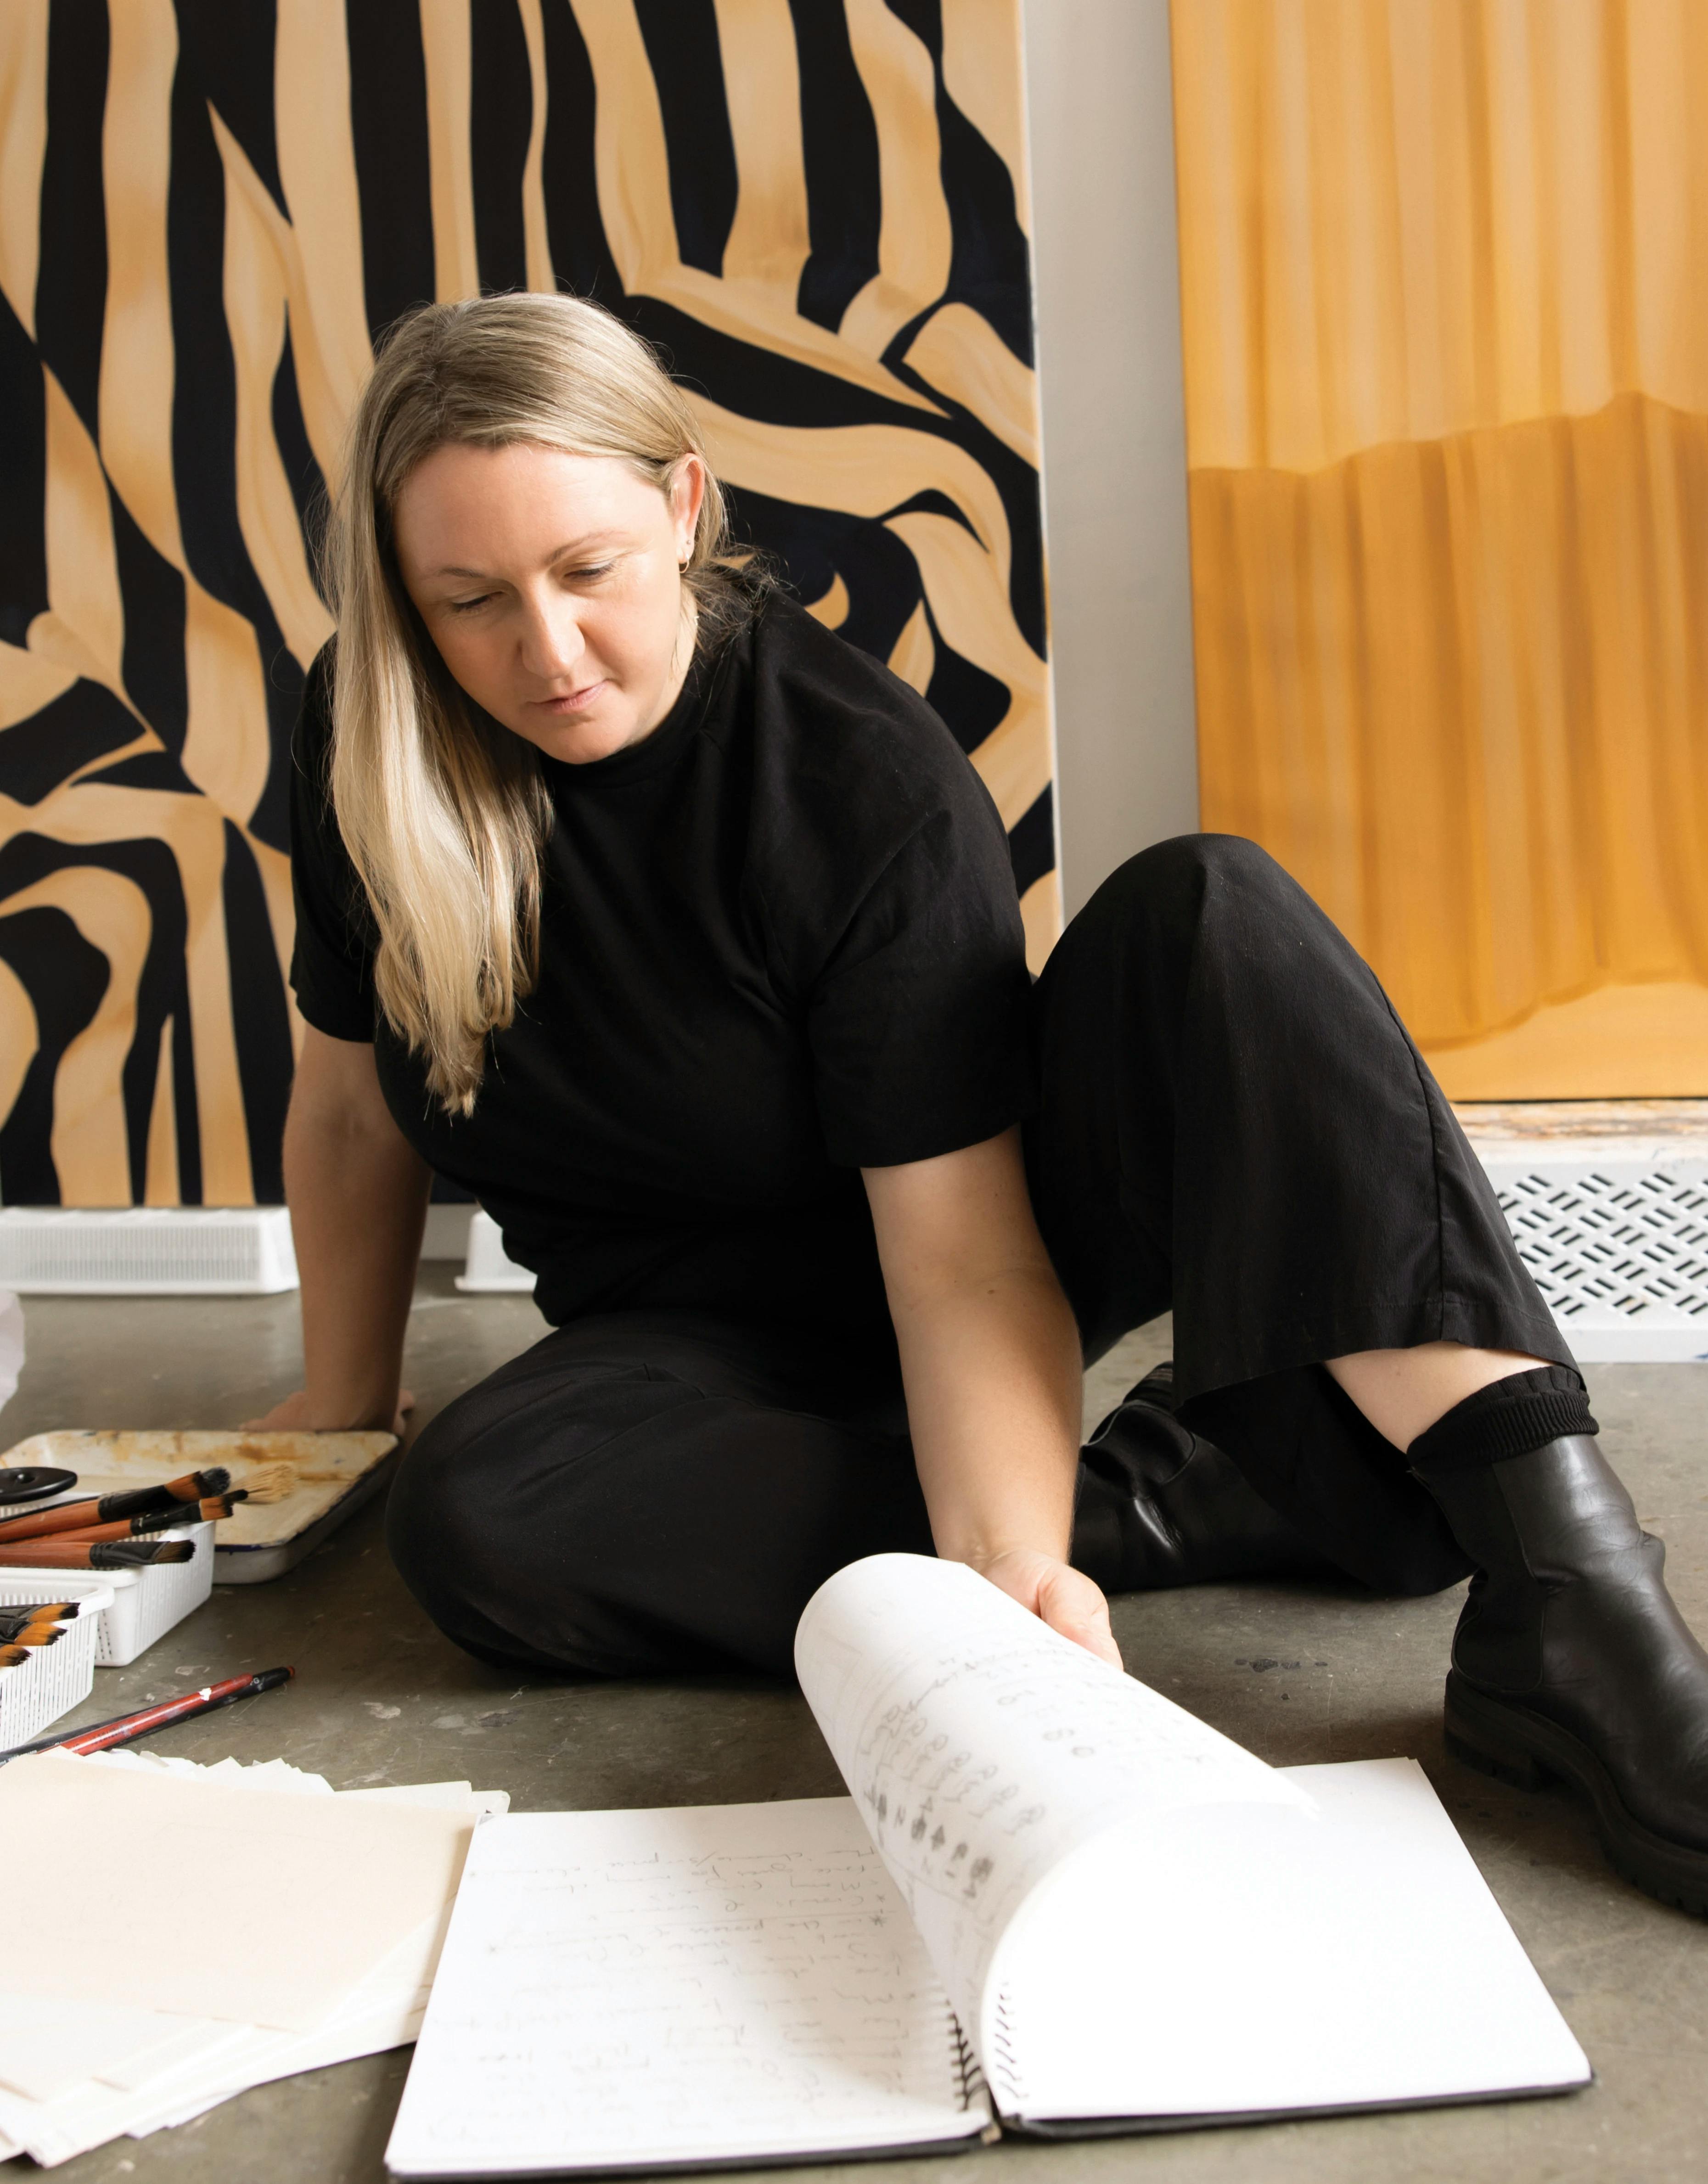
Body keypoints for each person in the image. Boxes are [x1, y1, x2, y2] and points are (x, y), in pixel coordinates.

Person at [261, 292, 1708, 1919]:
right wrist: (335, 1418)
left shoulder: (852, 778)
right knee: (481, 1517)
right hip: (686, 1353)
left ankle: (1573, 1598)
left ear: (680, 506)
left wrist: (1003, 1582)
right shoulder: (366, 745)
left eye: (588, 569)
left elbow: (960, 1263)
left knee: (1213, 907)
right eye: (470, 600)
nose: (548, 650)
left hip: (970, 1240)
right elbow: (347, 1106)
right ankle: (1168, 1490)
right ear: (401, 598)